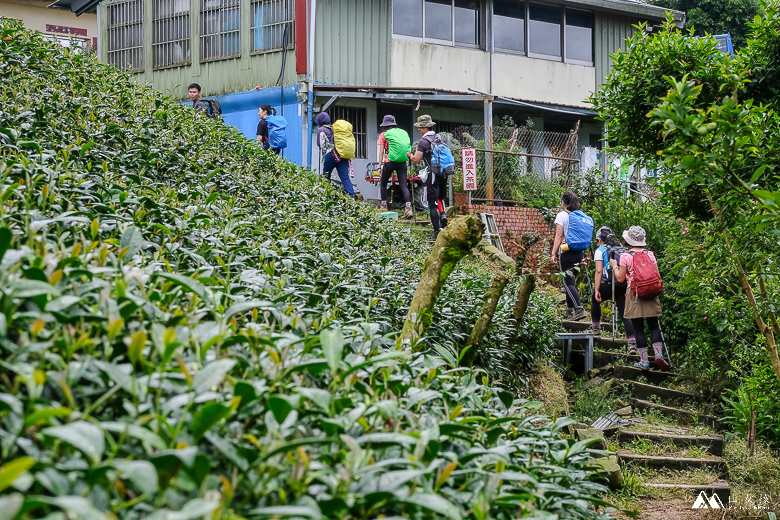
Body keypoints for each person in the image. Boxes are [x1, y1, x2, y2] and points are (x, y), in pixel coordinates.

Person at [611, 225, 670, 371]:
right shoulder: (650, 254)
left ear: (629, 240)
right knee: (654, 325)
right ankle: (658, 355)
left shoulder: (626, 256)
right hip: (651, 293)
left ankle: (644, 361)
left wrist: (614, 266)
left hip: (635, 294)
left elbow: (620, 278)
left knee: (638, 328)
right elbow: (658, 276)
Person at [587, 226, 637, 353]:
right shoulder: (621, 248)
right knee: (624, 313)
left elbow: (599, 271)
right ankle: (632, 343)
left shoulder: (600, 250)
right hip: (622, 283)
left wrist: (597, 289)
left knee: (595, 299)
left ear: (600, 239)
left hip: (609, 283)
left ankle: (596, 329)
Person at [407, 115, 448, 242]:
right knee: (440, 198)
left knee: (432, 203)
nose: (419, 130)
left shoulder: (423, 141)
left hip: (433, 174)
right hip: (444, 172)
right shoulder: (441, 138)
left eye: (420, 127)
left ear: (425, 127)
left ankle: (436, 233)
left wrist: (410, 155)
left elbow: (416, 159)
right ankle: (443, 217)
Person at [551, 191, 587, 321]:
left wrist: (554, 252)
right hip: (579, 253)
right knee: (570, 282)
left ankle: (579, 309)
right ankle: (569, 311)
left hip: (567, 252)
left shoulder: (562, 215)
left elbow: (559, 235)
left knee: (567, 283)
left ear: (563, 203)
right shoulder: (579, 215)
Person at [377, 115, 413, 219]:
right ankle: (408, 208)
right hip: (402, 162)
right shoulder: (402, 132)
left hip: (390, 161)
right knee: (404, 185)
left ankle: (384, 206)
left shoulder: (384, 134)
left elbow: (381, 152)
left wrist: (379, 167)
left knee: (383, 183)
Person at [314, 112, 355, 198]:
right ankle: (352, 196)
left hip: (330, 155)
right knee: (345, 178)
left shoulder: (321, 130)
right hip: (342, 154)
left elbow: (320, 145)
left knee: (326, 176)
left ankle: (326, 195)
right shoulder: (335, 128)